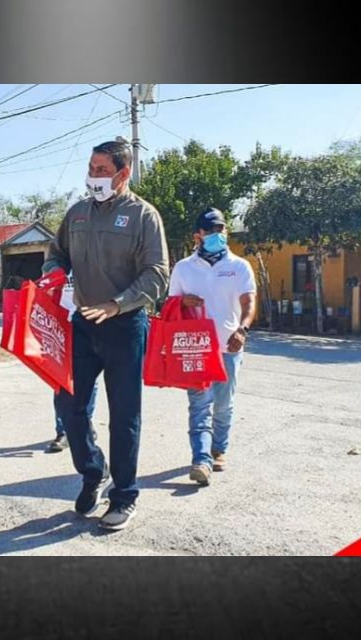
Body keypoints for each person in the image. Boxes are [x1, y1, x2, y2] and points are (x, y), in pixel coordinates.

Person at [46, 139, 169, 530]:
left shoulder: (143, 216)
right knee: (69, 406)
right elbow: (57, 252)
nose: (93, 176)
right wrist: (53, 273)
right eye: (91, 168)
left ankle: (124, 496)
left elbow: (157, 273)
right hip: (83, 323)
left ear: (123, 173)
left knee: (125, 416)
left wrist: (118, 303)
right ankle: (93, 471)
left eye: (102, 170)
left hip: (125, 325)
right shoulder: (78, 213)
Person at [167, 208, 256, 485]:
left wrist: (243, 329)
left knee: (223, 404)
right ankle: (201, 460)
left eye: (222, 229)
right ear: (198, 236)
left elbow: (249, 302)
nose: (218, 235)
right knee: (199, 405)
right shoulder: (183, 268)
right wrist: (182, 303)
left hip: (229, 348)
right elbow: (169, 306)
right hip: (196, 349)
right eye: (212, 230)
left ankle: (219, 449)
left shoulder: (238, 266)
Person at [49, 270, 98, 453]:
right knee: (59, 380)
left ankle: (86, 423)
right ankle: (63, 431)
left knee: (90, 380)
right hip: (61, 326)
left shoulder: (91, 257)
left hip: (87, 325)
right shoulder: (58, 262)